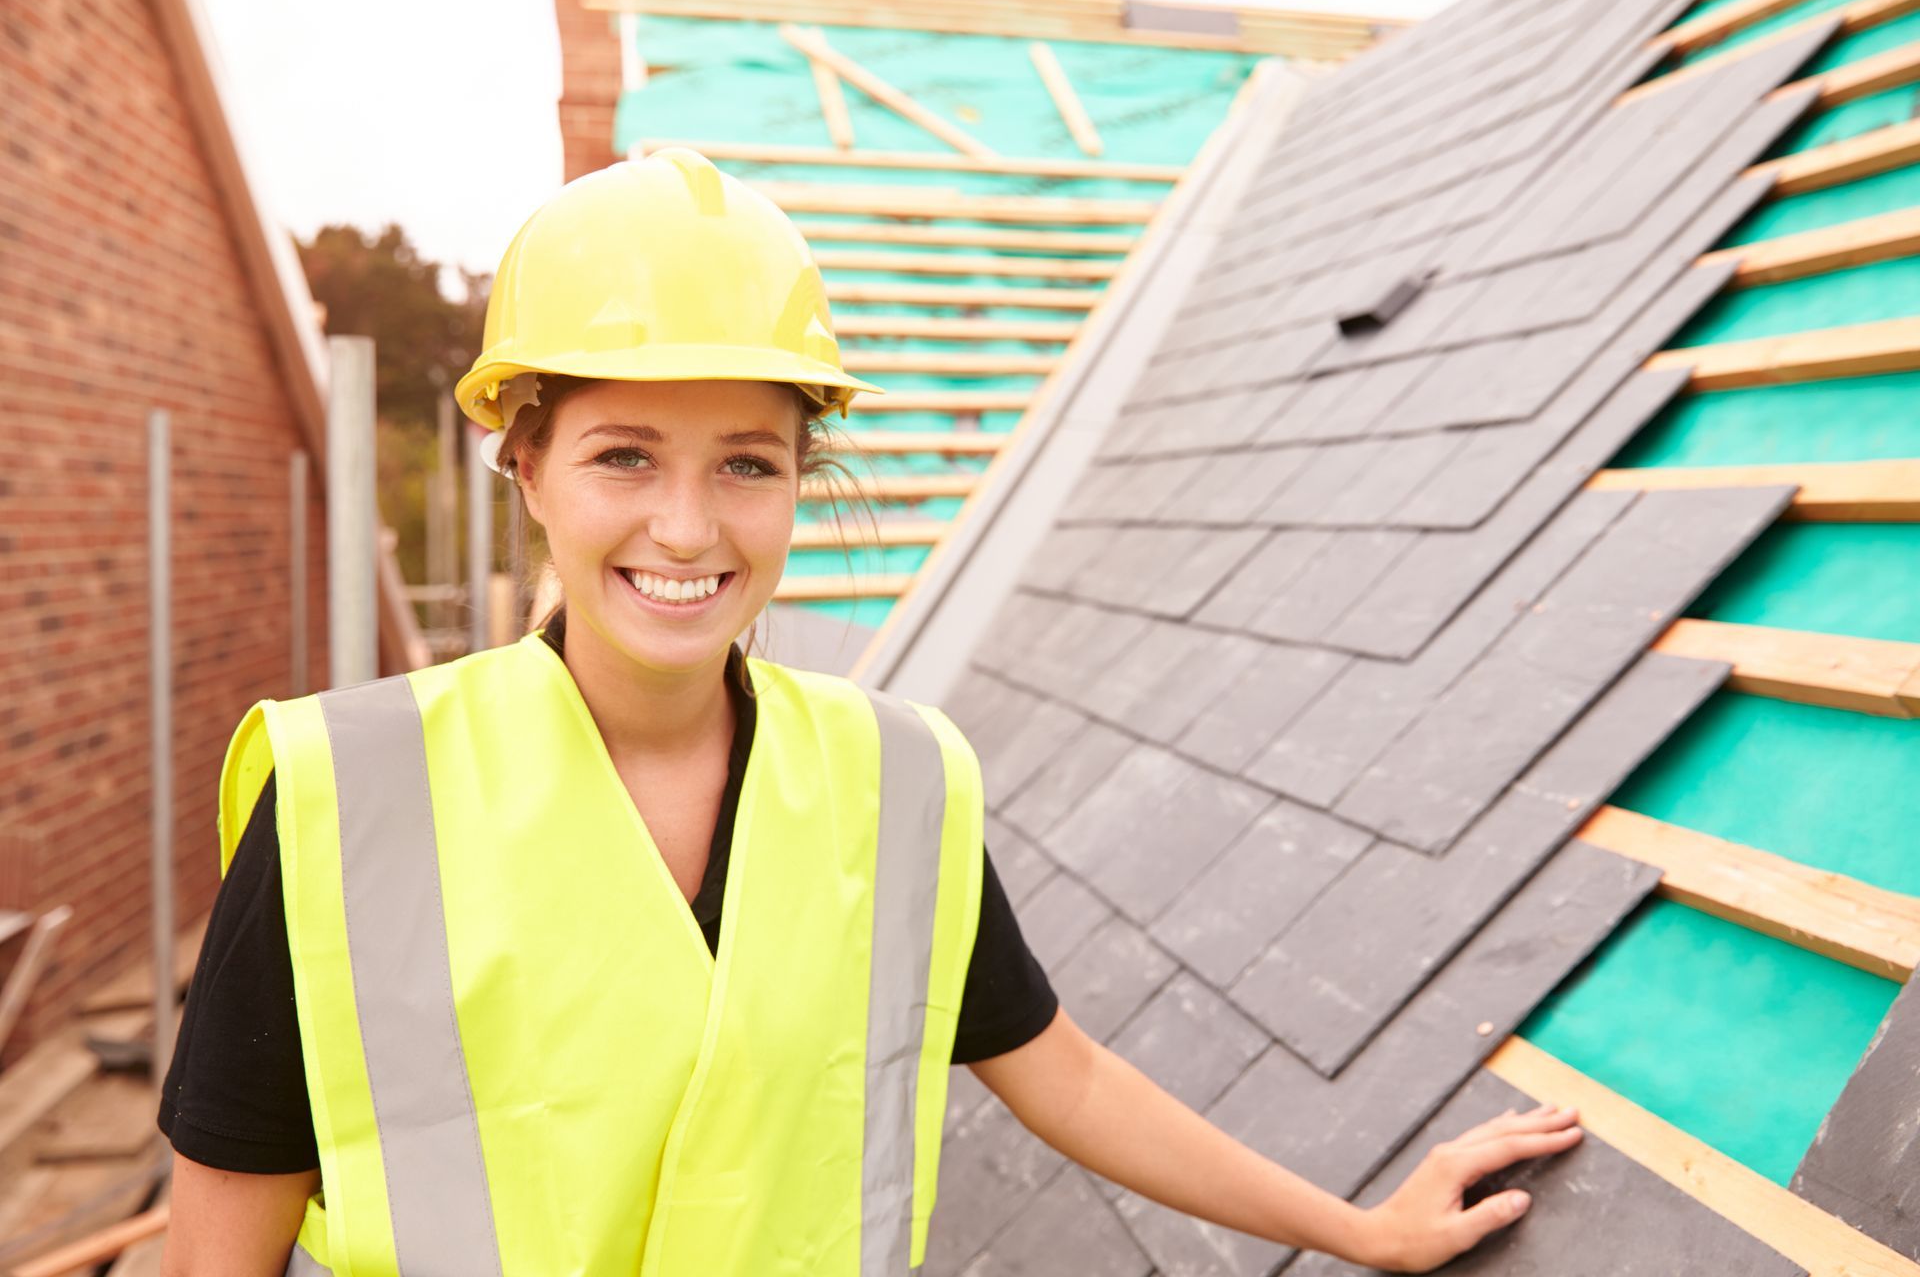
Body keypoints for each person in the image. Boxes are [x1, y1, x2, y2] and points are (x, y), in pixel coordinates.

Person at [157, 148, 1583, 1276]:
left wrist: (1364, 1227)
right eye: (623, 455)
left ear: (798, 480)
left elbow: (1065, 1074)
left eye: (748, 466)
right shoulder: (353, 800)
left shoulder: (891, 782)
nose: (685, 526)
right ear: (523, 462)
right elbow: (221, 1246)